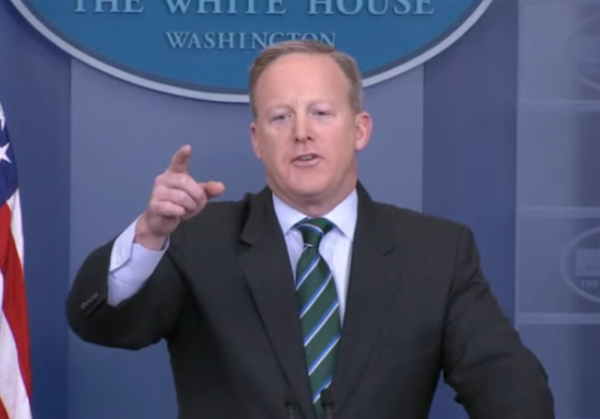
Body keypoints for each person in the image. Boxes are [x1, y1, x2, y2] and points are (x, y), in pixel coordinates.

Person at [66, 40, 555, 419]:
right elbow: (101, 324)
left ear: (359, 130)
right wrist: (151, 235)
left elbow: (507, 384)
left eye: (321, 113)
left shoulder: (438, 252)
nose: (302, 132)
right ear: (257, 140)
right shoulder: (195, 238)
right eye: (281, 117)